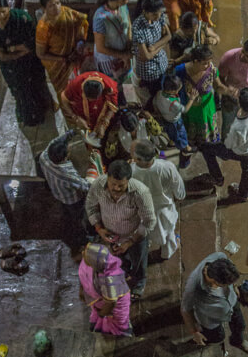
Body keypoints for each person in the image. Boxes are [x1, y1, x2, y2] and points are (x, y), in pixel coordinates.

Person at [85, 158, 156, 297]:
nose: (116, 189)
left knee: (139, 263)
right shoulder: (98, 186)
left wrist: (130, 242)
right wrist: (100, 229)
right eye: (113, 184)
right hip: (111, 235)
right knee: (119, 258)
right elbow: (91, 207)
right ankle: (124, 270)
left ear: (128, 181)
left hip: (135, 237)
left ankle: (139, 283)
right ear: (107, 178)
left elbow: (149, 221)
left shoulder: (140, 192)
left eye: (121, 186)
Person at [0, 0, 52, 126]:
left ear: (9, 8)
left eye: (3, 11)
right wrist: (21, 51)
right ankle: (28, 116)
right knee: (21, 92)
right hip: (13, 68)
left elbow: (35, 41)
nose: (1, 15)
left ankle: (45, 106)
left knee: (38, 83)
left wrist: (15, 48)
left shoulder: (21, 18)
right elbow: (2, 56)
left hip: (31, 62)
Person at [180, 251, 248, 355]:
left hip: (231, 302)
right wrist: (195, 332)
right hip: (210, 316)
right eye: (226, 284)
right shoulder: (193, 286)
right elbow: (185, 309)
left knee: (240, 324)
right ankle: (190, 347)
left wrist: (234, 286)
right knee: (216, 337)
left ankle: (238, 341)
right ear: (215, 281)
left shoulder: (220, 257)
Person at [201, 87, 248, 200]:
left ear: (239, 104)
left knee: (206, 149)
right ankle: (243, 194)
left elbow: (228, 145)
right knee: (247, 170)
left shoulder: (239, 127)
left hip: (239, 151)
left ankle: (217, 177)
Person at [131, 139, 185, 260]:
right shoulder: (167, 167)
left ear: (139, 159)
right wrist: (179, 196)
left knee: (147, 233)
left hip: (143, 212)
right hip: (165, 210)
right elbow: (179, 188)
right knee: (168, 233)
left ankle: (148, 246)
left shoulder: (131, 172)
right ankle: (166, 253)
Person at [38, 132, 90, 250]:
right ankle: (82, 238)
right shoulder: (65, 173)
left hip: (58, 194)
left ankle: (68, 222)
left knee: (66, 211)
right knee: (78, 217)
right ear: (65, 158)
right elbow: (85, 186)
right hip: (72, 200)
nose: (69, 148)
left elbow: (54, 142)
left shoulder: (44, 156)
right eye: (68, 150)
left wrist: (71, 133)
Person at [35, 0, 88, 95]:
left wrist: (79, 44)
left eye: (58, 3)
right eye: (51, 6)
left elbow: (82, 24)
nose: (57, 7)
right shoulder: (43, 27)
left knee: (76, 83)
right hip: (57, 63)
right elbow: (40, 54)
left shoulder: (68, 12)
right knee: (62, 90)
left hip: (73, 55)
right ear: (44, 9)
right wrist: (63, 59)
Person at [77, 241, 132, 336]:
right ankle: (102, 324)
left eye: (86, 257)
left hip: (115, 305)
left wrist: (101, 314)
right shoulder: (99, 263)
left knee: (116, 324)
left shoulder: (110, 279)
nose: (83, 254)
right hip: (103, 300)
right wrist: (82, 288)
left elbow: (111, 303)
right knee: (101, 316)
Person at [131, 0, 170, 100]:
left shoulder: (160, 16)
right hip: (149, 71)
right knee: (153, 95)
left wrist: (154, 47)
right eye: (154, 14)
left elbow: (168, 36)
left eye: (159, 13)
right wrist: (160, 46)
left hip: (162, 64)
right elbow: (146, 57)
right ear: (145, 12)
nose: (158, 17)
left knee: (162, 91)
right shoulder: (138, 28)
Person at [91, 0, 133, 83]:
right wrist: (122, 55)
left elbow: (129, 26)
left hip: (124, 53)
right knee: (111, 84)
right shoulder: (100, 18)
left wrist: (127, 51)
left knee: (121, 81)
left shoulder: (122, 7)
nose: (128, 1)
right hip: (109, 60)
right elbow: (100, 48)